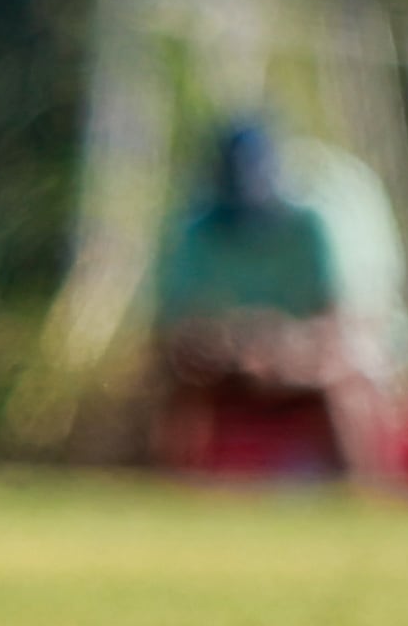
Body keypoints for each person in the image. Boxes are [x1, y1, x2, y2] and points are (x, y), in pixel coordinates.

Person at [150, 118, 392, 483]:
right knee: (176, 380)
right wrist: (229, 344)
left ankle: (365, 492)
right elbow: (171, 325)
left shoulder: (313, 226)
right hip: (227, 365)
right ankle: (173, 490)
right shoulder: (199, 230)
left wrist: (283, 350)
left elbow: (343, 323)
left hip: (304, 361)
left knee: (344, 386)